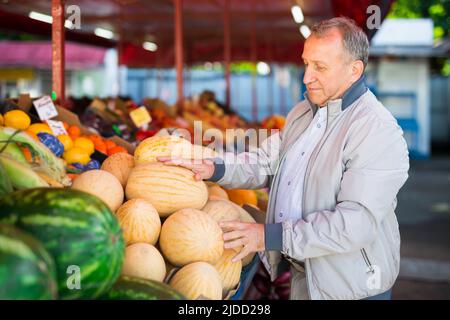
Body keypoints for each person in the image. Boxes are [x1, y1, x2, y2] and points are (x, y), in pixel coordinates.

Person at [158, 17, 409, 300]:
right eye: (306, 63)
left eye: (320, 67)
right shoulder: (304, 112)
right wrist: (214, 166)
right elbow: (265, 162)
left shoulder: (376, 130)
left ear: (354, 70)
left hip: (352, 287)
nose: (306, 77)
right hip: (306, 278)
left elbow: (355, 224)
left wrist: (269, 236)